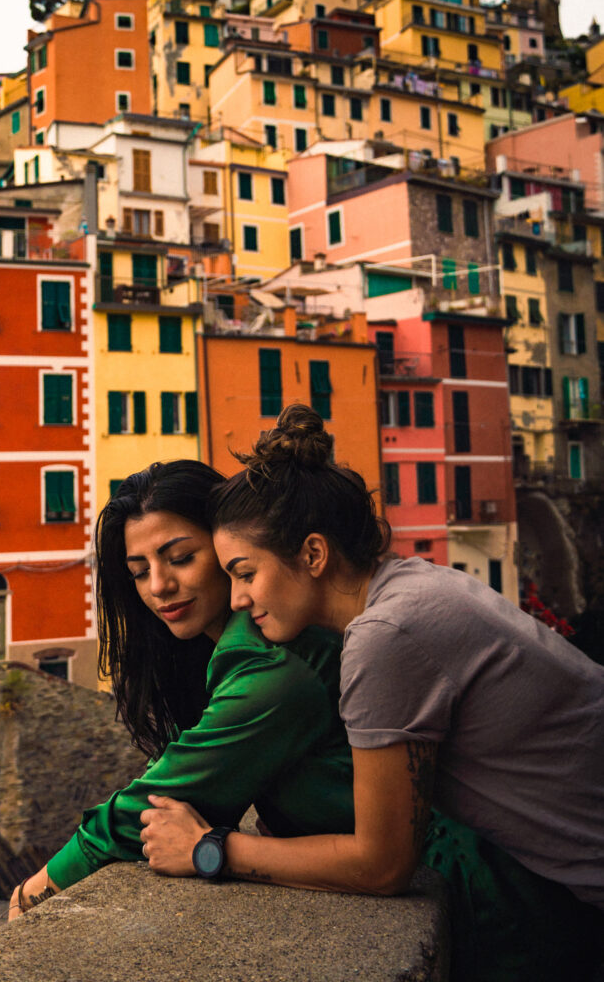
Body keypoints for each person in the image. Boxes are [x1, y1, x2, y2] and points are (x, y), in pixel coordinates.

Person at [139, 405, 604, 979]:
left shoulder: (384, 638)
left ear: (312, 555)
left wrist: (209, 849)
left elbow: (382, 865)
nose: (236, 598)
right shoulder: (411, 584)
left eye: (245, 572)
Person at [7, 460, 355, 919]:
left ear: (226, 541)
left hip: (457, 894)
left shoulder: (274, 666)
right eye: (138, 570)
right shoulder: (230, 651)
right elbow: (174, 773)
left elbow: (143, 809)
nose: (159, 586)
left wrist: (28, 898)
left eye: (180, 558)